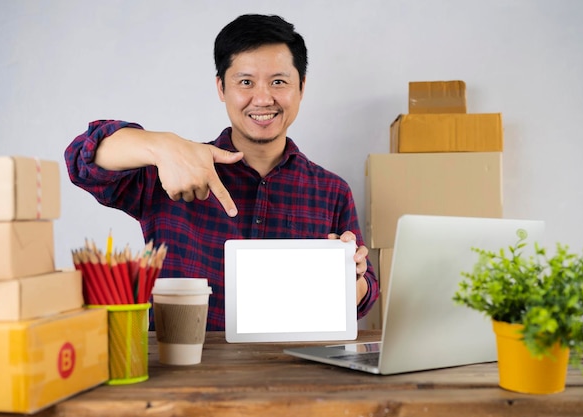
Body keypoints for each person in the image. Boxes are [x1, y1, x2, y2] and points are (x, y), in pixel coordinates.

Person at [65, 14, 379, 331]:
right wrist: (162, 147)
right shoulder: (176, 167)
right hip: (184, 370)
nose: (263, 98)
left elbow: (366, 297)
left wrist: (350, 279)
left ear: (301, 87)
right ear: (221, 87)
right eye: (245, 82)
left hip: (290, 370)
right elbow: (82, 160)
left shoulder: (331, 190)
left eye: (279, 82)